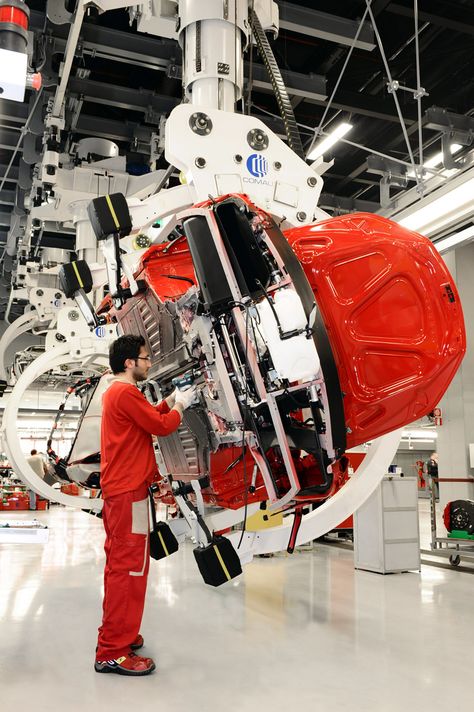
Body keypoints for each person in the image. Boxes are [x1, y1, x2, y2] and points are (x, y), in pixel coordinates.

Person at [94, 334, 196, 676]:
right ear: (129, 363)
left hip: (123, 493)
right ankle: (112, 651)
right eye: (145, 358)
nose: (149, 362)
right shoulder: (124, 392)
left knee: (121, 566)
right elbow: (161, 426)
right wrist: (181, 406)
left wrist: (169, 398)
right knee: (129, 568)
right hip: (129, 494)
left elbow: (149, 415)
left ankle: (118, 634)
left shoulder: (119, 393)